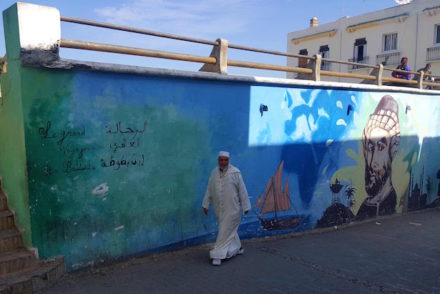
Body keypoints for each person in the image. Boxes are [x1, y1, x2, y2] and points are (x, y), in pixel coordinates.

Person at [202, 151, 251, 266]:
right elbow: (209, 189)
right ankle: (237, 247)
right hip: (219, 209)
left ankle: (217, 255)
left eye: (225, 160)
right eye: (221, 160)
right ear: (218, 160)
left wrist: (246, 206)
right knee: (228, 230)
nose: (223, 162)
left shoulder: (235, 172)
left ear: (229, 160)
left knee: (224, 231)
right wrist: (206, 204)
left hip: (232, 208)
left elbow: (242, 191)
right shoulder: (214, 173)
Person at [356, 95, 400, 220]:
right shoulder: (365, 206)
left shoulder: (392, 203)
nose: (372, 162)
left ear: (392, 151)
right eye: (370, 148)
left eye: (380, 148)